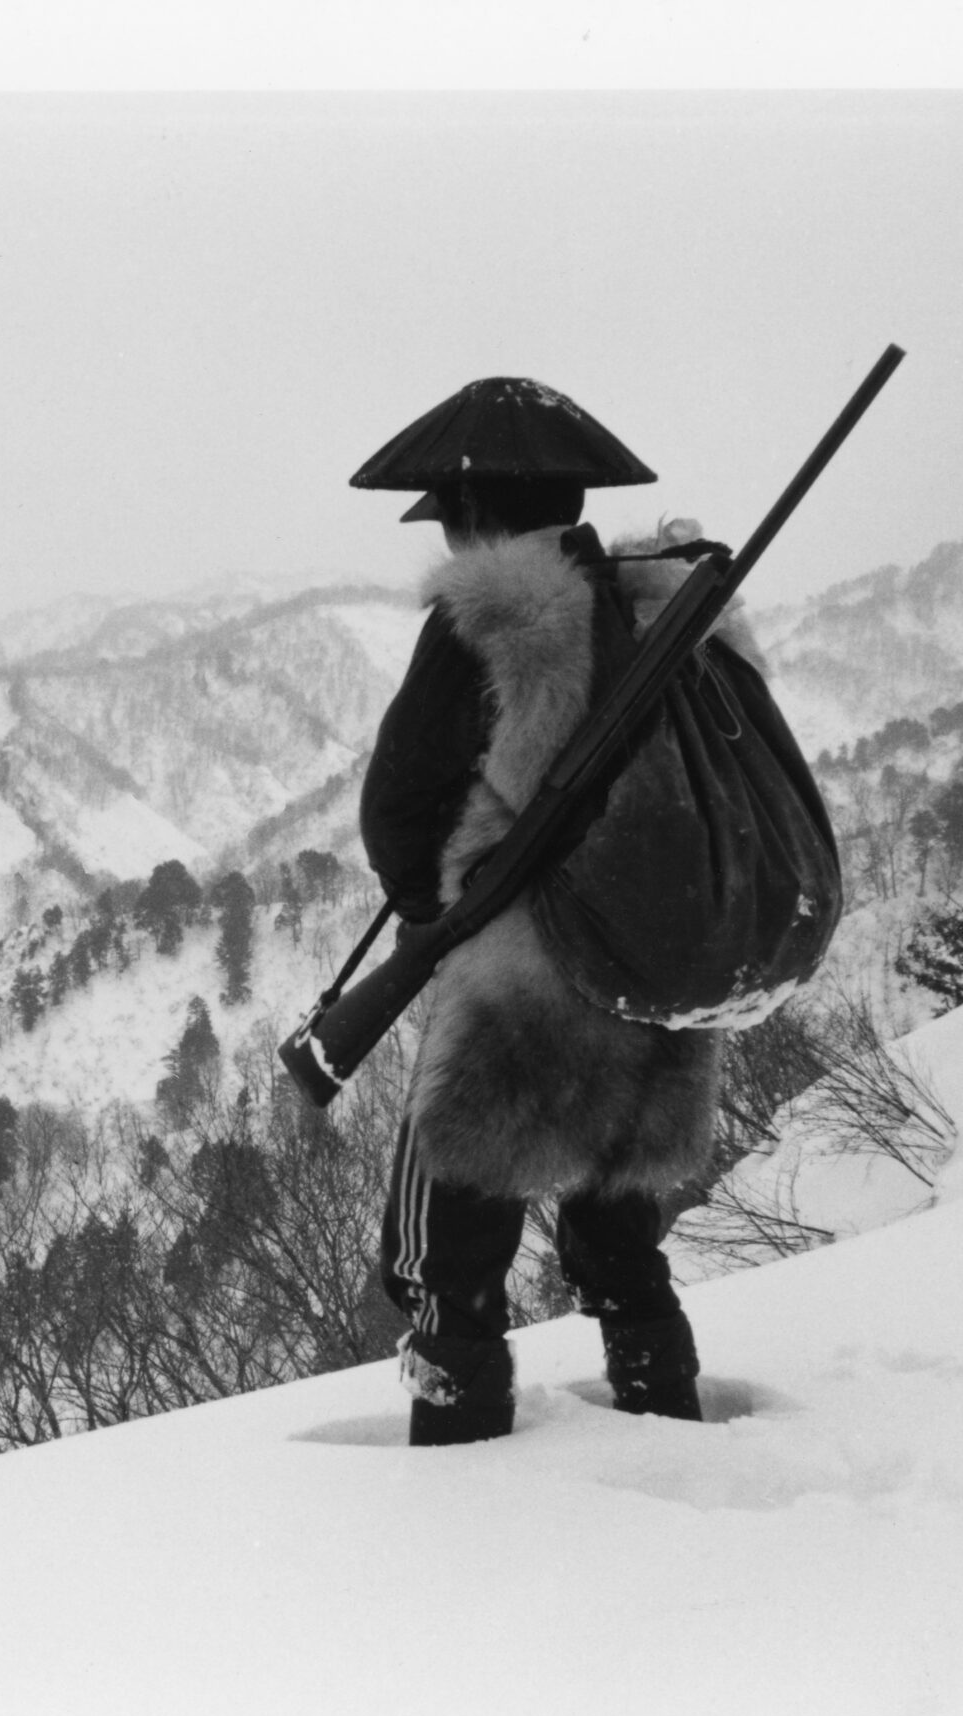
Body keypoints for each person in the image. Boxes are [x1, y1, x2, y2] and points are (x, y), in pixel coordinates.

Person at [350, 376, 731, 1445]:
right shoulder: (670, 605)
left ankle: (463, 1471)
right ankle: (668, 1426)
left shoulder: (486, 617)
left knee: (444, 1252)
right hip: (657, 978)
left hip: (523, 988)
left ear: (470, 513)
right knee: (619, 1238)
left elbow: (399, 806)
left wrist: (437, 913)